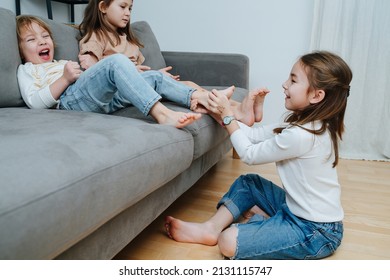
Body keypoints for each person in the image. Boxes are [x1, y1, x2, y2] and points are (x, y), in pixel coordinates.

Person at [165, 51, 353, 260]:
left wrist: (228, 116)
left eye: (293, 80)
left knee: (228, 242)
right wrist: (216, 112)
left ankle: (260, 224)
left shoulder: (302, 136)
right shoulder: (304, 125)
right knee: (249, 183)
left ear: (316, 95)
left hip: (315, 231)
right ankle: (211, 228)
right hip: (295, 210)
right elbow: (253, 135)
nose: (284, 84)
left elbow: (249, 154)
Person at [77, 0, 263, 126]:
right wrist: (147, 75)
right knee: (165, 81)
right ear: (103, 6)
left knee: (188, 85)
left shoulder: (128, 41)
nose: (127, 13)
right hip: (115, 91)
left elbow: (142, 73)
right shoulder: (96, 36)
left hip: (136, 88)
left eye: (130, 9)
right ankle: (234, 111)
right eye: (123, 6)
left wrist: (156, 74)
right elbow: (92, 70)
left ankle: (236, 109)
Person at [16, 15, 202, 128]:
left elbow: (93, 82)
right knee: (115, 61)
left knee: (155, 76)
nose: (42, 41)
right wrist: (64, 79)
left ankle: (198, 99)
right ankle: (162, 114)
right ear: (21, 52)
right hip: (69, 103)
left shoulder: (61, 62)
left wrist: (128, 72)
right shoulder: (27, 69)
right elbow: (34, 102)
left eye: (45, 36)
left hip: (103, 100)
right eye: (32, 39)